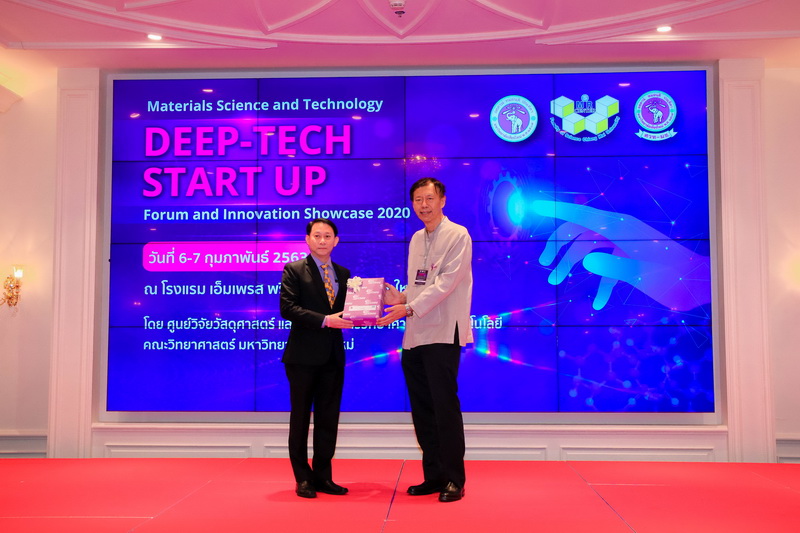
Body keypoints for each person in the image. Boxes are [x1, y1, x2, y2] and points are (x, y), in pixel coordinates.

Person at [378, 177, 473, 503]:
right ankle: (433, 476)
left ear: (442, 200)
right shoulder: (417, 238)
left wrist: (407, 307)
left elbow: (445, 283)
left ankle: (454, 479)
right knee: (422, 408)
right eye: (418, 200)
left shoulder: (458, 235)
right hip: (415, 333)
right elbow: (420, 284)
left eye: (429, 198)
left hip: (444, 331)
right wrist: (400, 297)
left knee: (444, 407)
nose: (423, 205)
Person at [280, 218, 353, 499]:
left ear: (336, 241)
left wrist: (368, 309)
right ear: (308, 240)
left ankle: (323, 477)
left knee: (328, 419)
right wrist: (325, 320)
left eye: (328, 236)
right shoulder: (294, 270)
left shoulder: (344, 273)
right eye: (317, 235)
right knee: (300, 419)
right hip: (302, 357)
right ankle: (303, 478)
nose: (323, 241)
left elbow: (348, 311)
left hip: (333, 357)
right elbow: (288, 308)